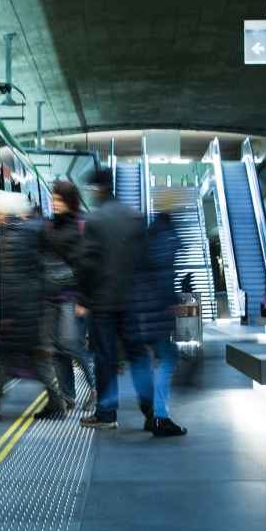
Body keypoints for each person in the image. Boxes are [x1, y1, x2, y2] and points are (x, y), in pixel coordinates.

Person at [78, 167, 151, 430]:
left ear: (98, 189)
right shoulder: (134, 217)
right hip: (131, 301)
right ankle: (151, 410)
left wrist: (84, 300)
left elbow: (87, 264)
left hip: (103, 303)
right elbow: (144, 260)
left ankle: (107, 414)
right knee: (138, 356)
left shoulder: (95, 220)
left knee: (105, 359)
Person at [0, 191, 53, 419]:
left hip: (18, 312)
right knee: (19, 361)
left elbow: (11, 280)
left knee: (18, 361)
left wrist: (7, 314)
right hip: (27, 309)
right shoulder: (19, 234)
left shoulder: (8, 240)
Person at [123, 191, 188, 437]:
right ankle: (160, 416)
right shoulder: (165, 235)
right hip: (155, 308)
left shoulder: (150, 232)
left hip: (138, 308)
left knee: (143, 360)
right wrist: (171, 302)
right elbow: (163, 276)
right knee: (169, 357)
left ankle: (151, 411)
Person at [40, 179, 89, 413]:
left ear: (70, 201)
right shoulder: (50, 226)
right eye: (53, 199)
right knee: (58, 350)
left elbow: (83, 266)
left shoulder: (79, 227)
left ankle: (96, 389)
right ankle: (68, 396)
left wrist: (83, 300)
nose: (54, 203)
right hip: (51, 297)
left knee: (73, 347)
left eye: (59, 200)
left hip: (72, 297)